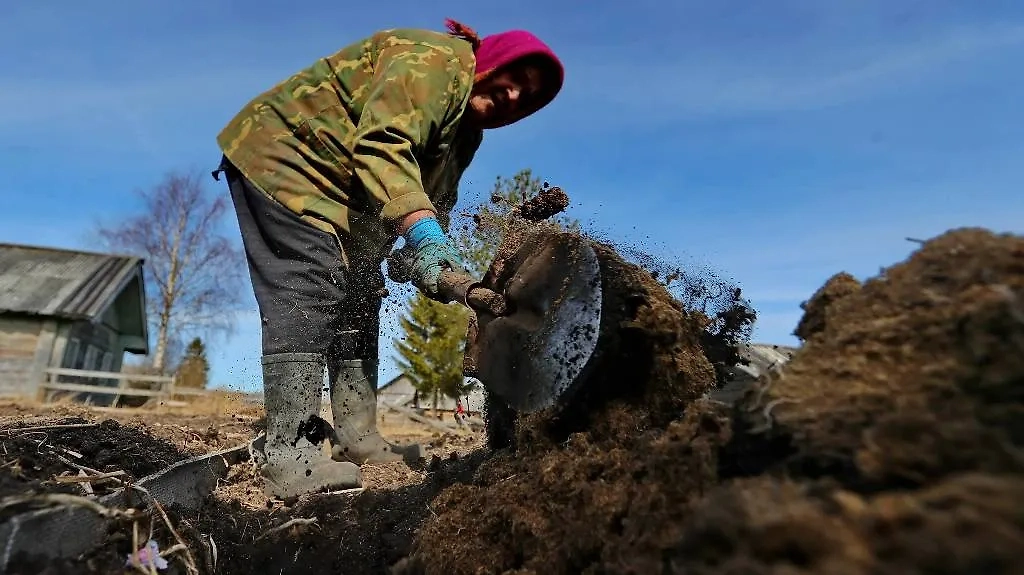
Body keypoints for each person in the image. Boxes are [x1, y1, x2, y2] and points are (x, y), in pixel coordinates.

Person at [212, 19, 564, 499]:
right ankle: (289, 456)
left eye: (529, 100)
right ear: (490, 61)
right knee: (310, 286)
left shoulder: (465, 134)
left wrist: (427, 260)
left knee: (361, 292)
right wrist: (421, 233)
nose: (515, 97)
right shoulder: (434, 61)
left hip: (342, 193)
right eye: (517, 79)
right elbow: (382, 146)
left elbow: (432, 201)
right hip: (289, 158)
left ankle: (358, 437)